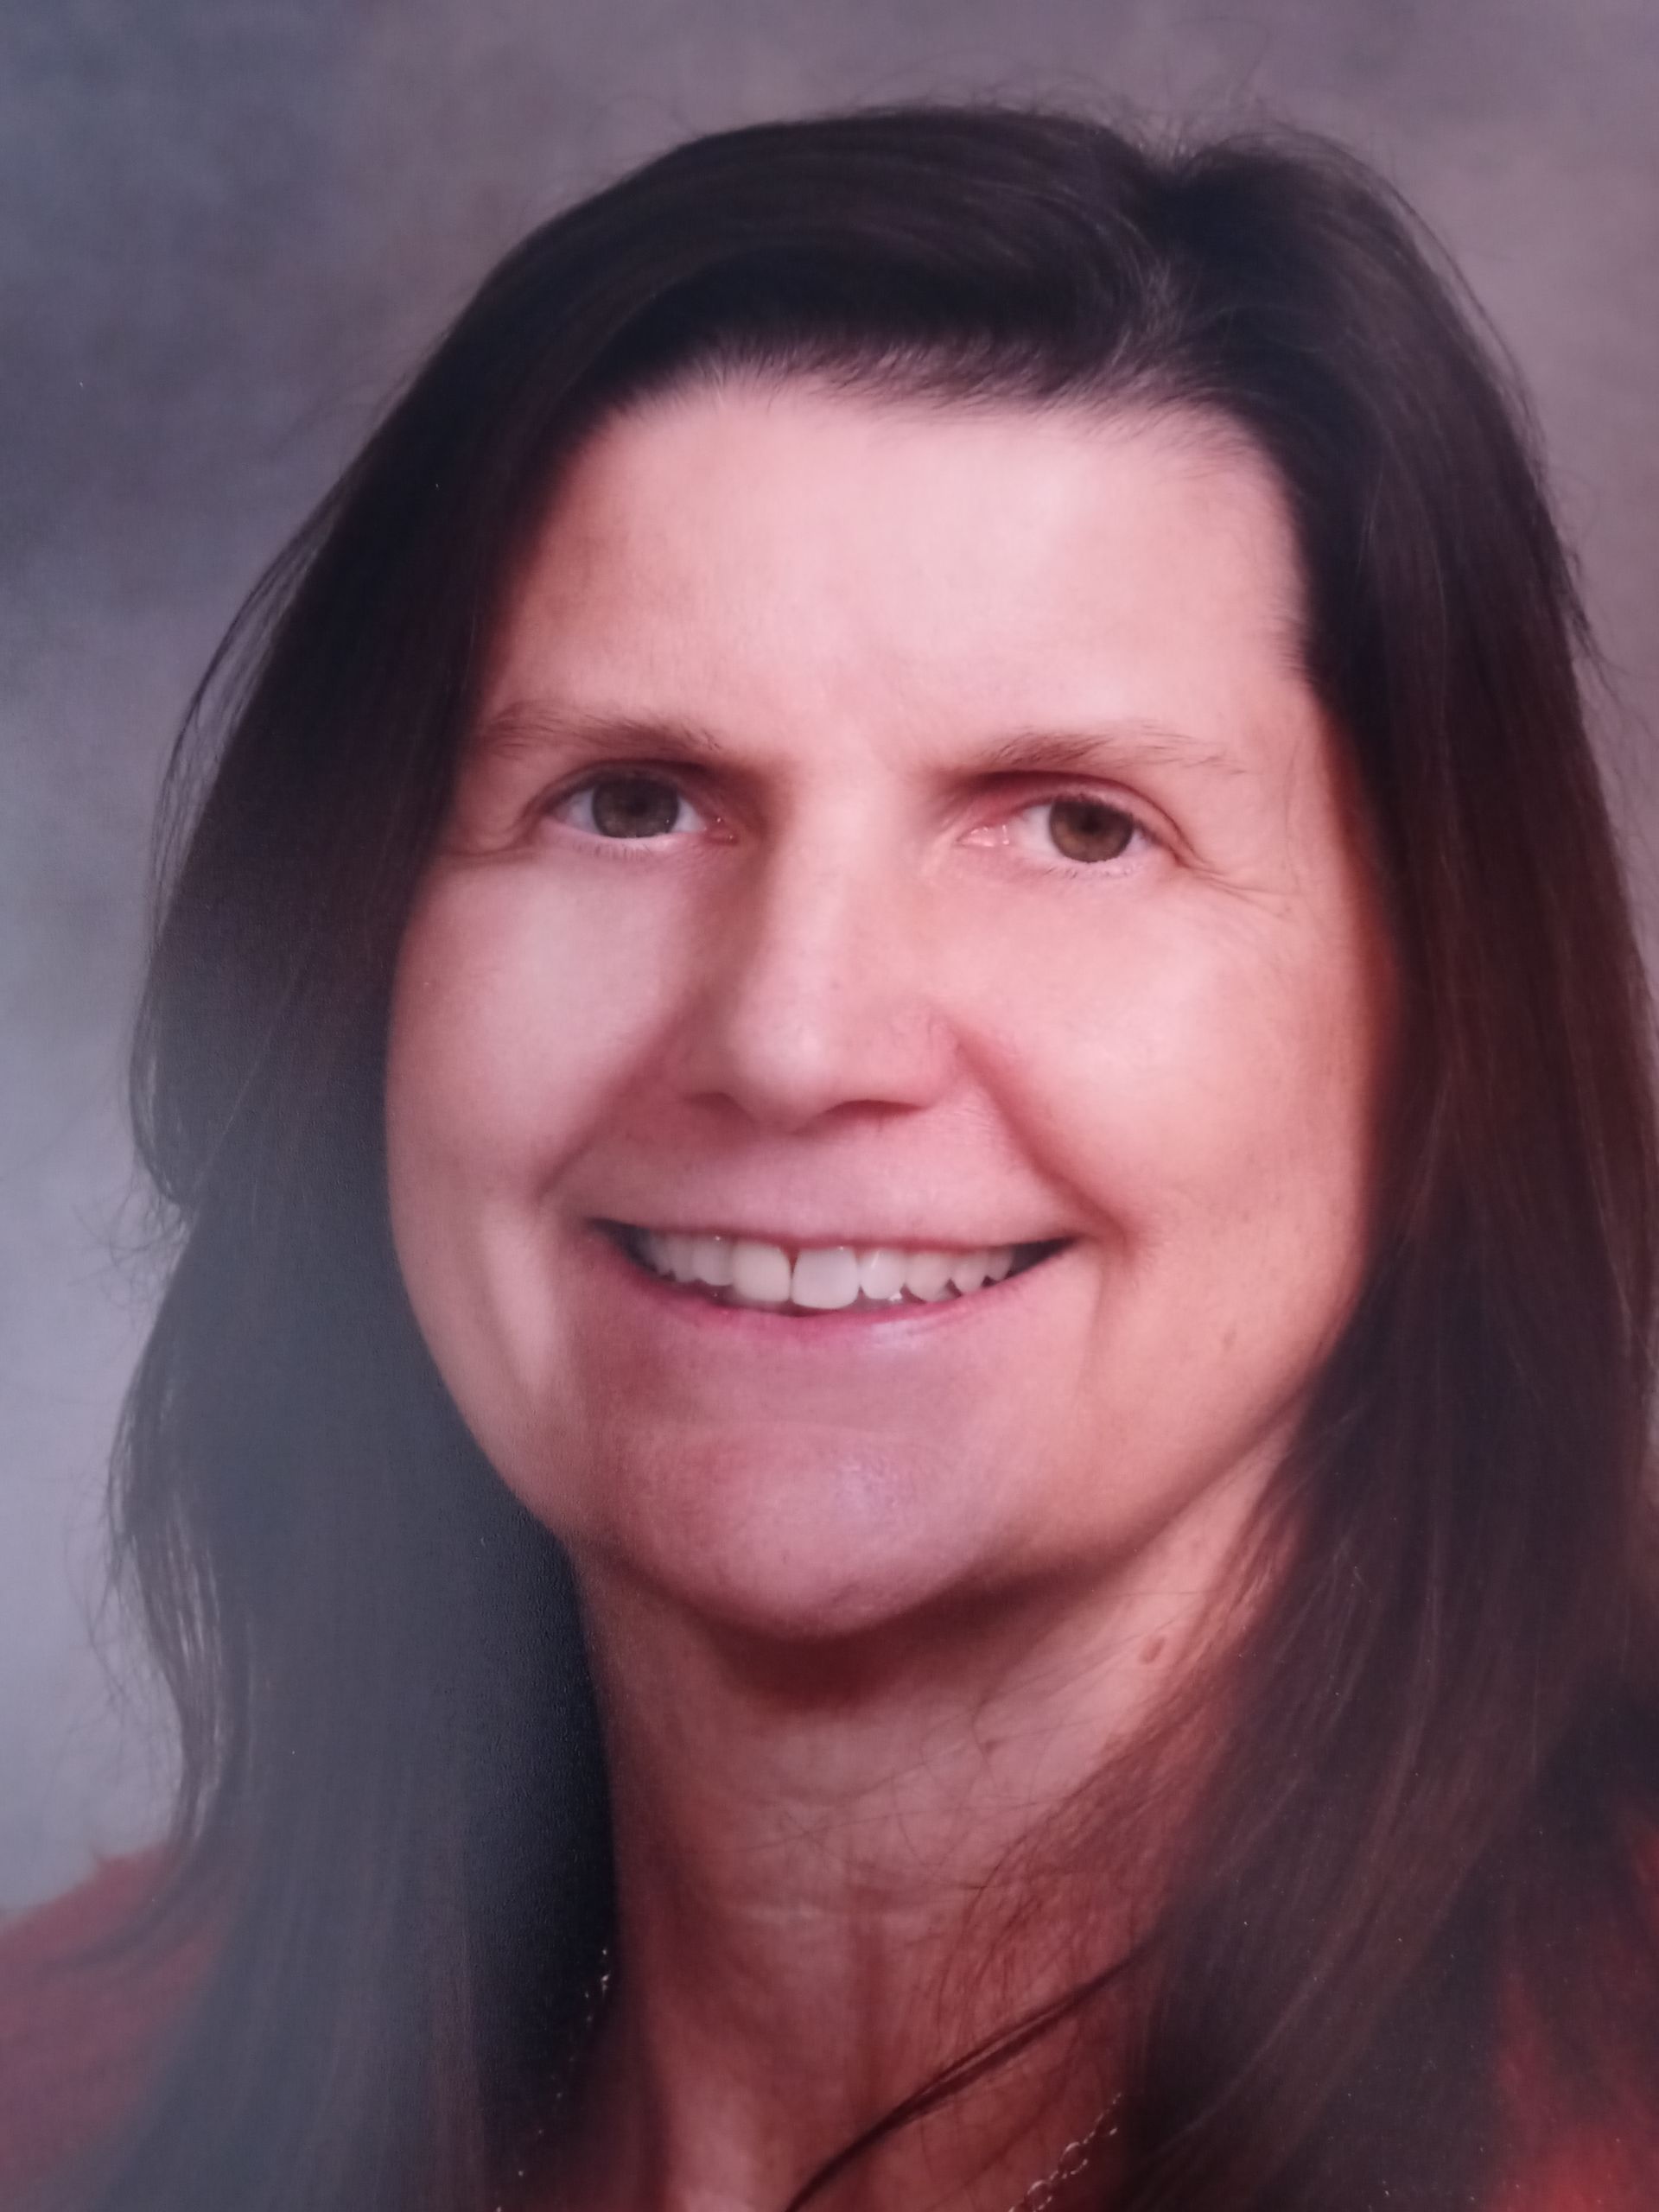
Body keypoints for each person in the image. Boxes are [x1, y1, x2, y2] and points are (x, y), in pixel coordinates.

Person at [3, 99, 1658, 2212]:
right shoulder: (55, 2103)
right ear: (361, 976)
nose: (790, 1038)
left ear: (1441, 1038)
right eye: (629, 799)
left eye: (1075, 822)